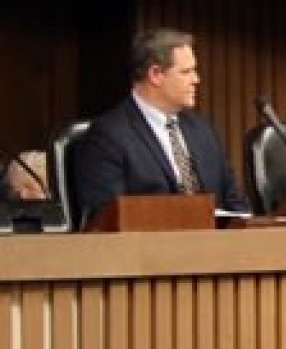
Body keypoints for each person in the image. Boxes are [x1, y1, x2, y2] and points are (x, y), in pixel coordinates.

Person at [70, 27, 249, 224]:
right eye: (186, 72)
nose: (196, 80)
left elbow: (236, 205)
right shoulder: (108, 136)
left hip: (214, 249)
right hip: (147, 250)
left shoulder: (204, 131)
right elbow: (106, 217)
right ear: (155, 74)